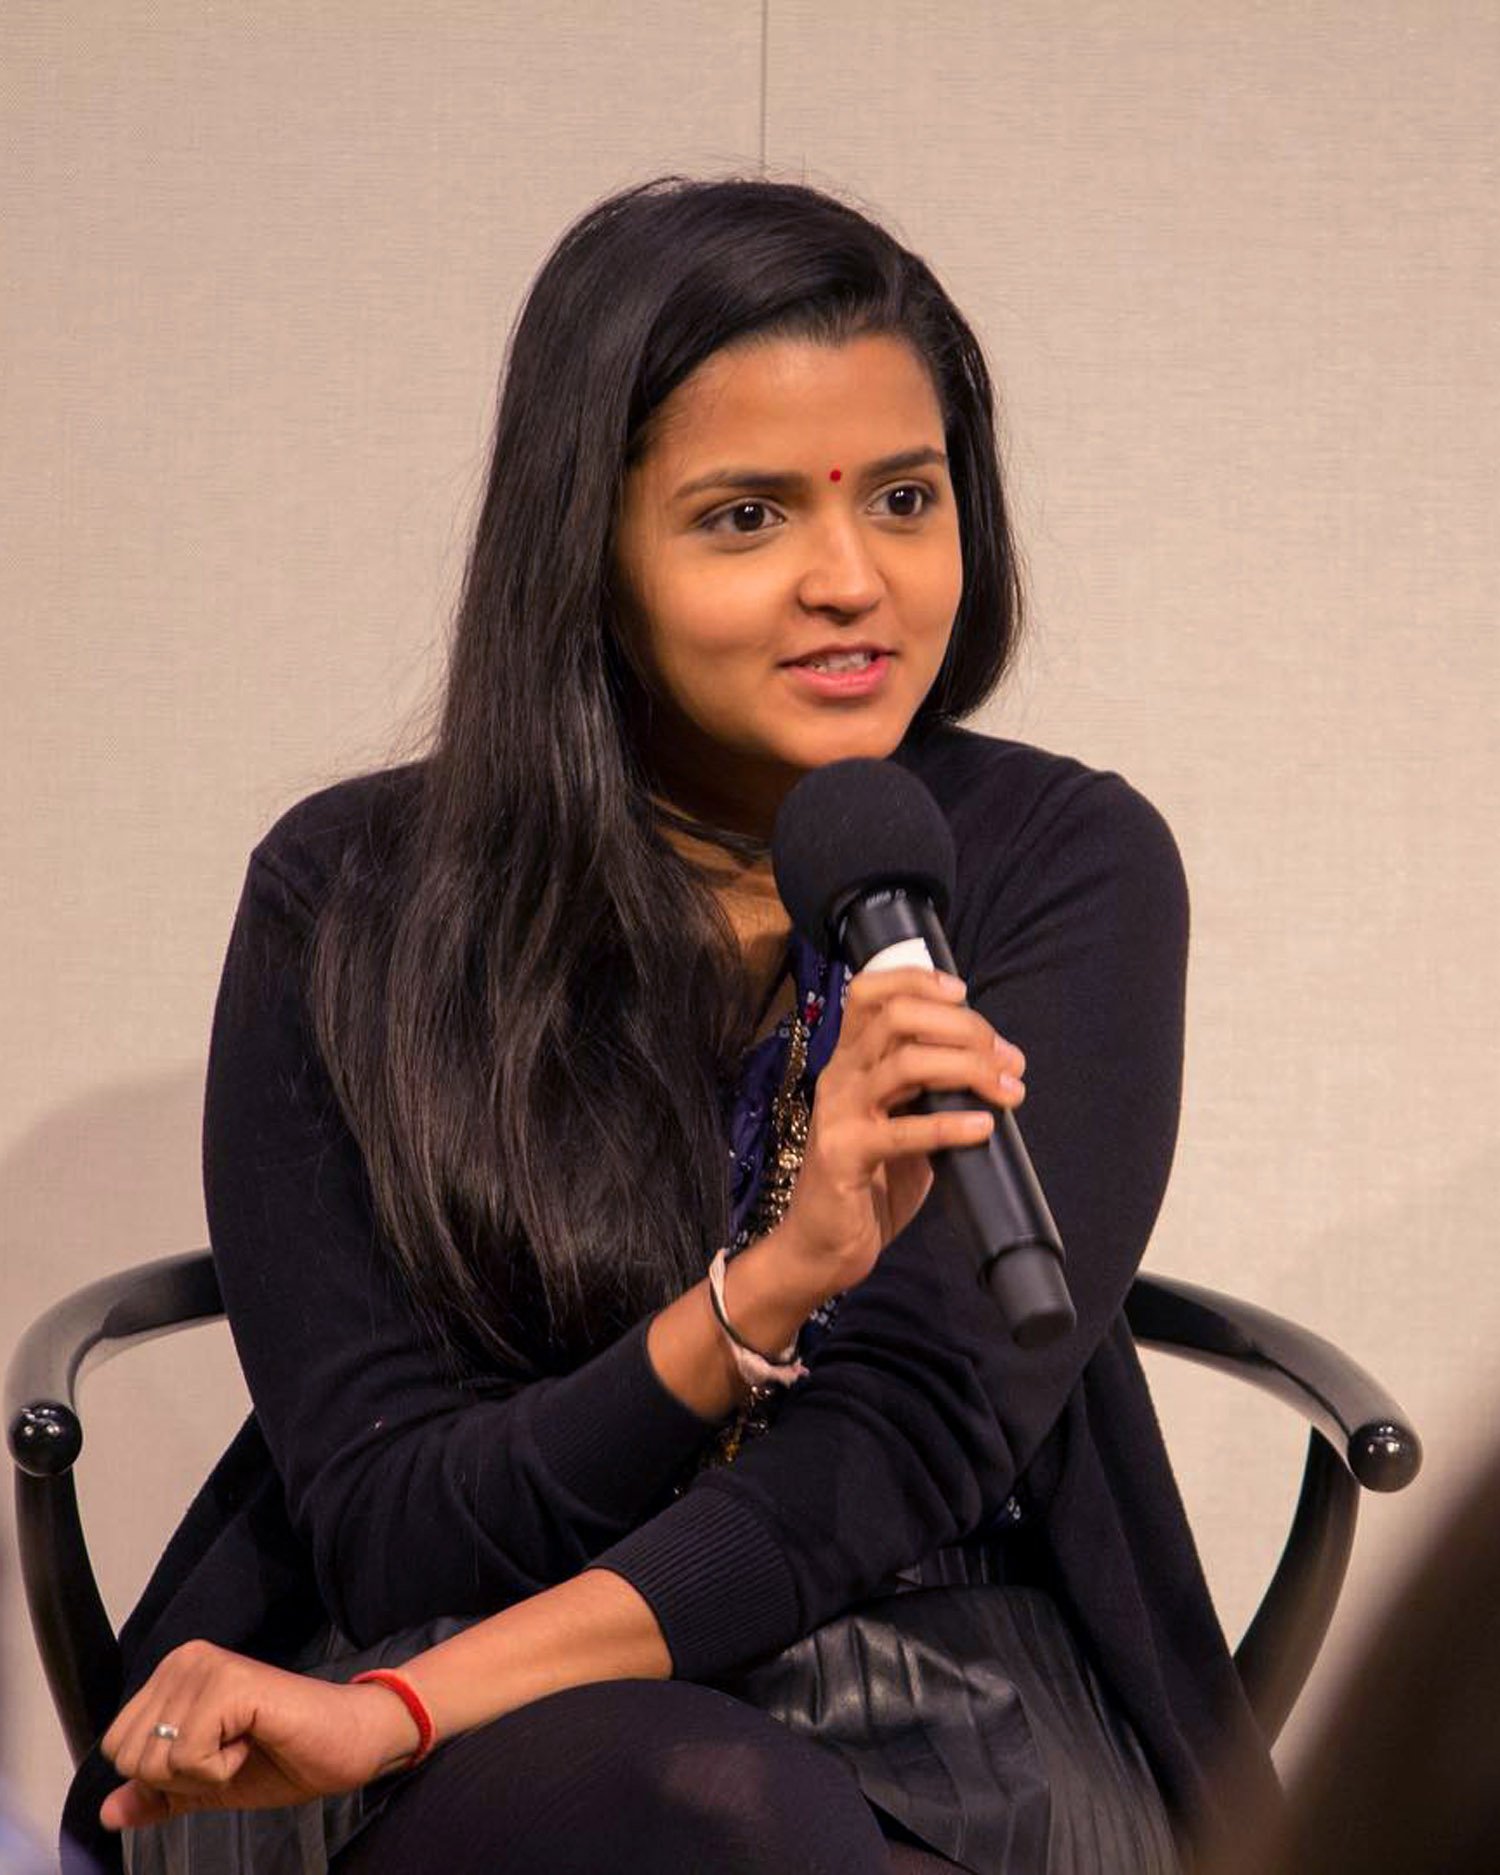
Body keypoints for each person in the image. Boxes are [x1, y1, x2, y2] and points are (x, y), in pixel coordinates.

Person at [63, 176, 1275, 1875]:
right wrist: (763, 1296)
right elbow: (395, 1522)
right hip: (444, 1671)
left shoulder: (1058, 866)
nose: (850, 581)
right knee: (696, 1807)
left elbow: (910, 1439)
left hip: (943, 1669)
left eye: (906, 499)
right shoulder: (351, 898)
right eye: (746, 517)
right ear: (592, 551)